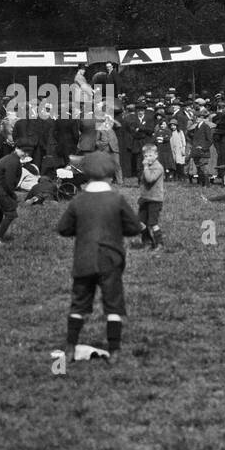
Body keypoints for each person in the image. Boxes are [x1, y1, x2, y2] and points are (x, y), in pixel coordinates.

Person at [55, 152, 142, 365]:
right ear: (110, 176)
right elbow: (134, 227)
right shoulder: (117, 199)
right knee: (113, 305)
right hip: (110, 259)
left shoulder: (79, 201)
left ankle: (70, 347)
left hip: (84, 258)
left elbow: (64, 229)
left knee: (79, 303)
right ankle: (114, 350)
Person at [0, 146, 28, 242]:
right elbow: (9, 182)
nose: (25, 154)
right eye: (23, 151)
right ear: (16, 148)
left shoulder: (9, 158)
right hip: (1, 191)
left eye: (27, 152)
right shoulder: (13, 161)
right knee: (11, 213)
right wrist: (13, 196)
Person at [135, 141, 166, 253]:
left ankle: (159, 243)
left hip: (155, 199)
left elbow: (149, 179)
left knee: (153, 223)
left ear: (156, 155)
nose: (148, 158)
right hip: (145, 199)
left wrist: (145, 167)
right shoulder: (147, 167)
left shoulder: (158, 167)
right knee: (140, 222)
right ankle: (147, 241)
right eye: (145, 156)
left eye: (150, 155)